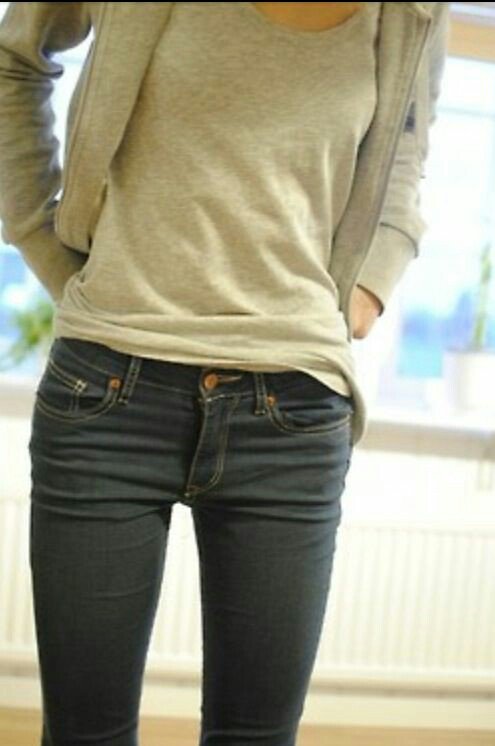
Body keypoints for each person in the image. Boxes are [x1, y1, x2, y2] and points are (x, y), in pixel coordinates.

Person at [0, 3, 450, 745]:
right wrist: (36, 235)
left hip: (293, 411)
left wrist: (374, 278)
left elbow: (406, 146)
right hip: (108, 392)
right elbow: (15, 60)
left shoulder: (412, 11)